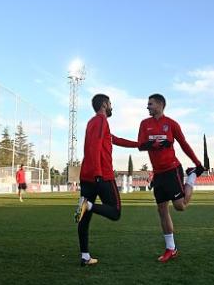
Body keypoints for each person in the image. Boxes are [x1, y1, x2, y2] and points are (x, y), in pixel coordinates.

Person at [137, 93, 205, 263]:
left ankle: (191, 177)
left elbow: (184, 144)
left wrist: (197, 164)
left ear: (160, 105)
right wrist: (155, 144)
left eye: (150, 104)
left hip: (172, 169)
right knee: (161, 209)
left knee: (180, 206)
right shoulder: (144, 124)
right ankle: (171, 248)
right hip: (158, 173)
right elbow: (140, 145)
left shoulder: (172, 124)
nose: (148, 107)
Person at [74, 94, 138, 266]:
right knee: (115, 212)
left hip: (87, 175)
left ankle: (85, 256)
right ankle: (88, 205)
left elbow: (115, 140)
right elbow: (94, 146)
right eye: (110, 103)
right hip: (101, 175)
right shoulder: (101, 121)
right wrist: (98, 173)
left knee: (84, 219)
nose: (111, 106)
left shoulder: (93, 122)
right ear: (104, 104)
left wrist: (138, 144)